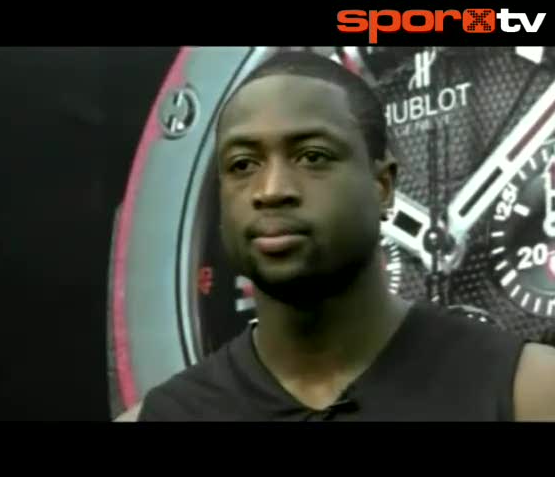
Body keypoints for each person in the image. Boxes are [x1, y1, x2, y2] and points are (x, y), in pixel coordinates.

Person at [133, 50, 555, 421]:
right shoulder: (165, 416)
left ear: (384, 186)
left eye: (312, 156)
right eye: (243, 164)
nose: (271, 190)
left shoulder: (531, 394)